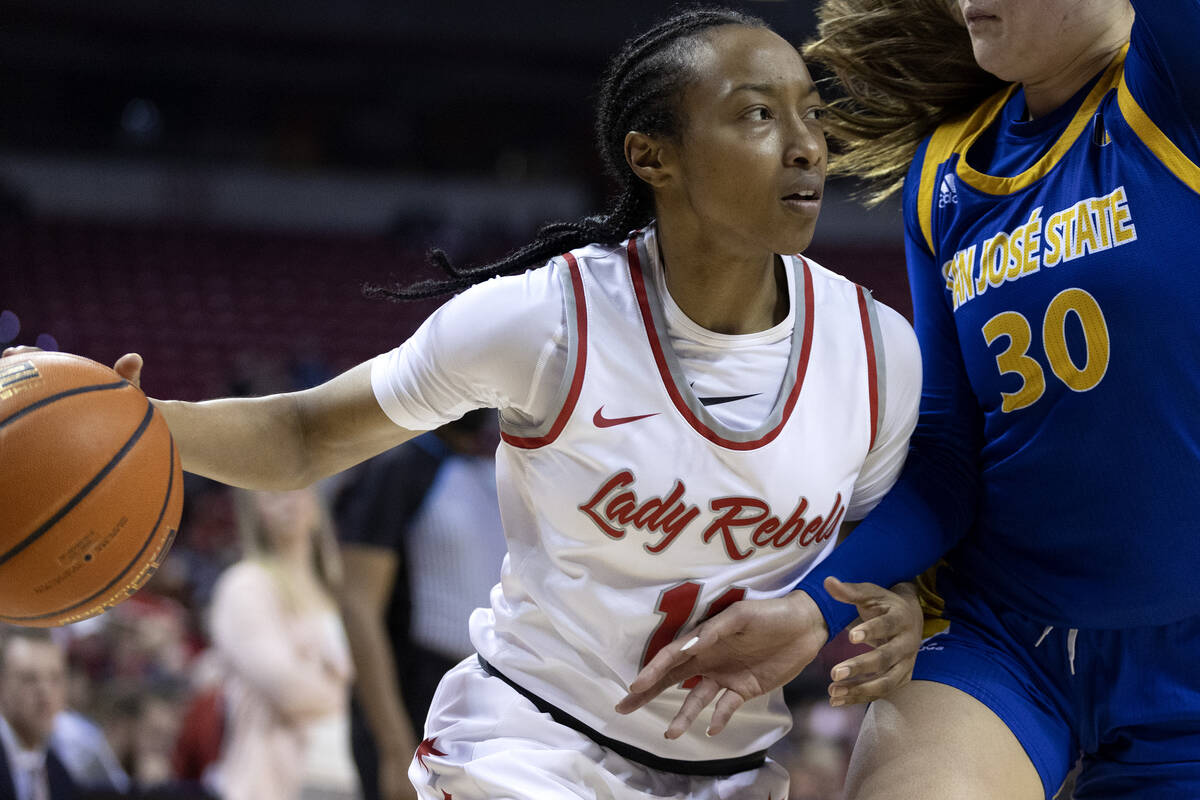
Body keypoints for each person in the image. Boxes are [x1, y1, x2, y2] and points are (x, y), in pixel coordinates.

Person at [7, 8, 927, 797]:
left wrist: (855, 613)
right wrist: (142, 425)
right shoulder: (545, 320)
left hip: (740, 768)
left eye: (811, 112)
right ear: (653, 156)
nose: (808, 144)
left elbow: (901, 558)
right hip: (531, 743)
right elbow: (303, 433)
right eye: (759, 115)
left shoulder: (878, 352)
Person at [619, 1, 1200, 798]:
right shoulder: (948, 168)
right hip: (1004, 635)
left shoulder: (1172, 83)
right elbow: (946, 456)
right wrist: (814, 607)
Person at [336, 410, 504, 800]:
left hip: (478, 707)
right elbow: (358, 607)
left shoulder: (488, 466)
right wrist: (395, 747)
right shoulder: (399, 467)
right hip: (413, 698)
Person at [206, 488, 360, 800]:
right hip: (275, 783)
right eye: (274, 493)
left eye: (299, 489)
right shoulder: (244, 585)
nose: (288, 499)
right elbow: (290, 690)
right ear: (255, 509)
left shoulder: (337, 591)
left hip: (347, 780)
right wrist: (358, 697)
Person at [0, 628, 80, 800]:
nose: (45, 692)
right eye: (29, 678)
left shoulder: (60, 773)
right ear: (2, 685)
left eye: (55, 678)